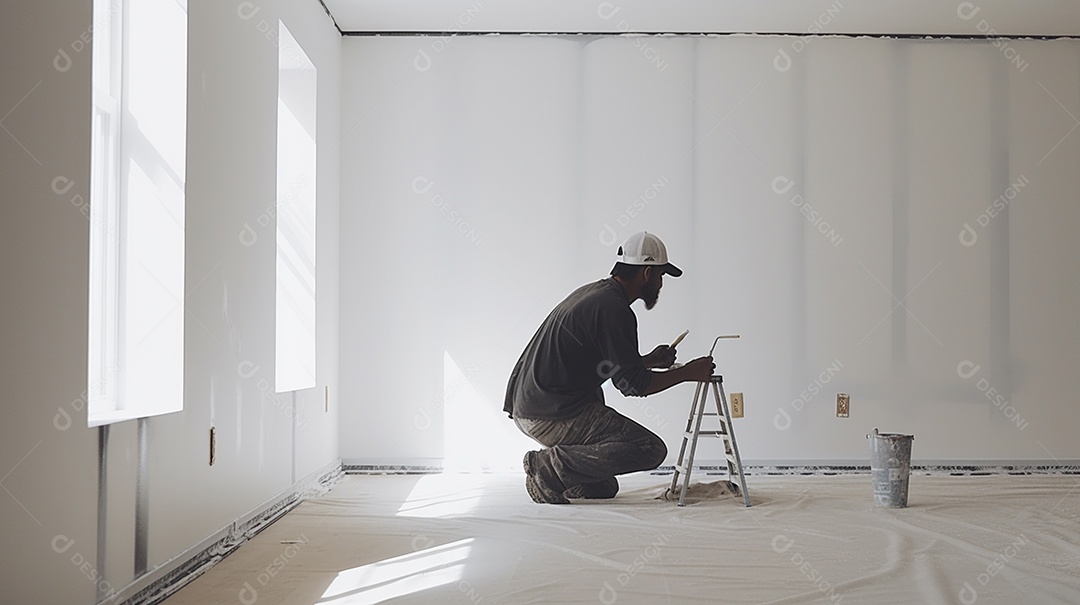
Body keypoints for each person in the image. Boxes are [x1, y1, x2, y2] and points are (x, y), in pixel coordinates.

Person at [503, 231, 715, 504]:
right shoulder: (614, 309)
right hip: (550, 412)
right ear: (647, 273)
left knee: (602, 486)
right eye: (661, 276)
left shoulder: (596, 294)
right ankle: (548, 468)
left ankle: (562, 476)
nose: (661, 284)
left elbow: (608, 364)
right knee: (650, 449)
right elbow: (632, 385)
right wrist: (688, 374)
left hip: (531, 405)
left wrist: (649, 360)